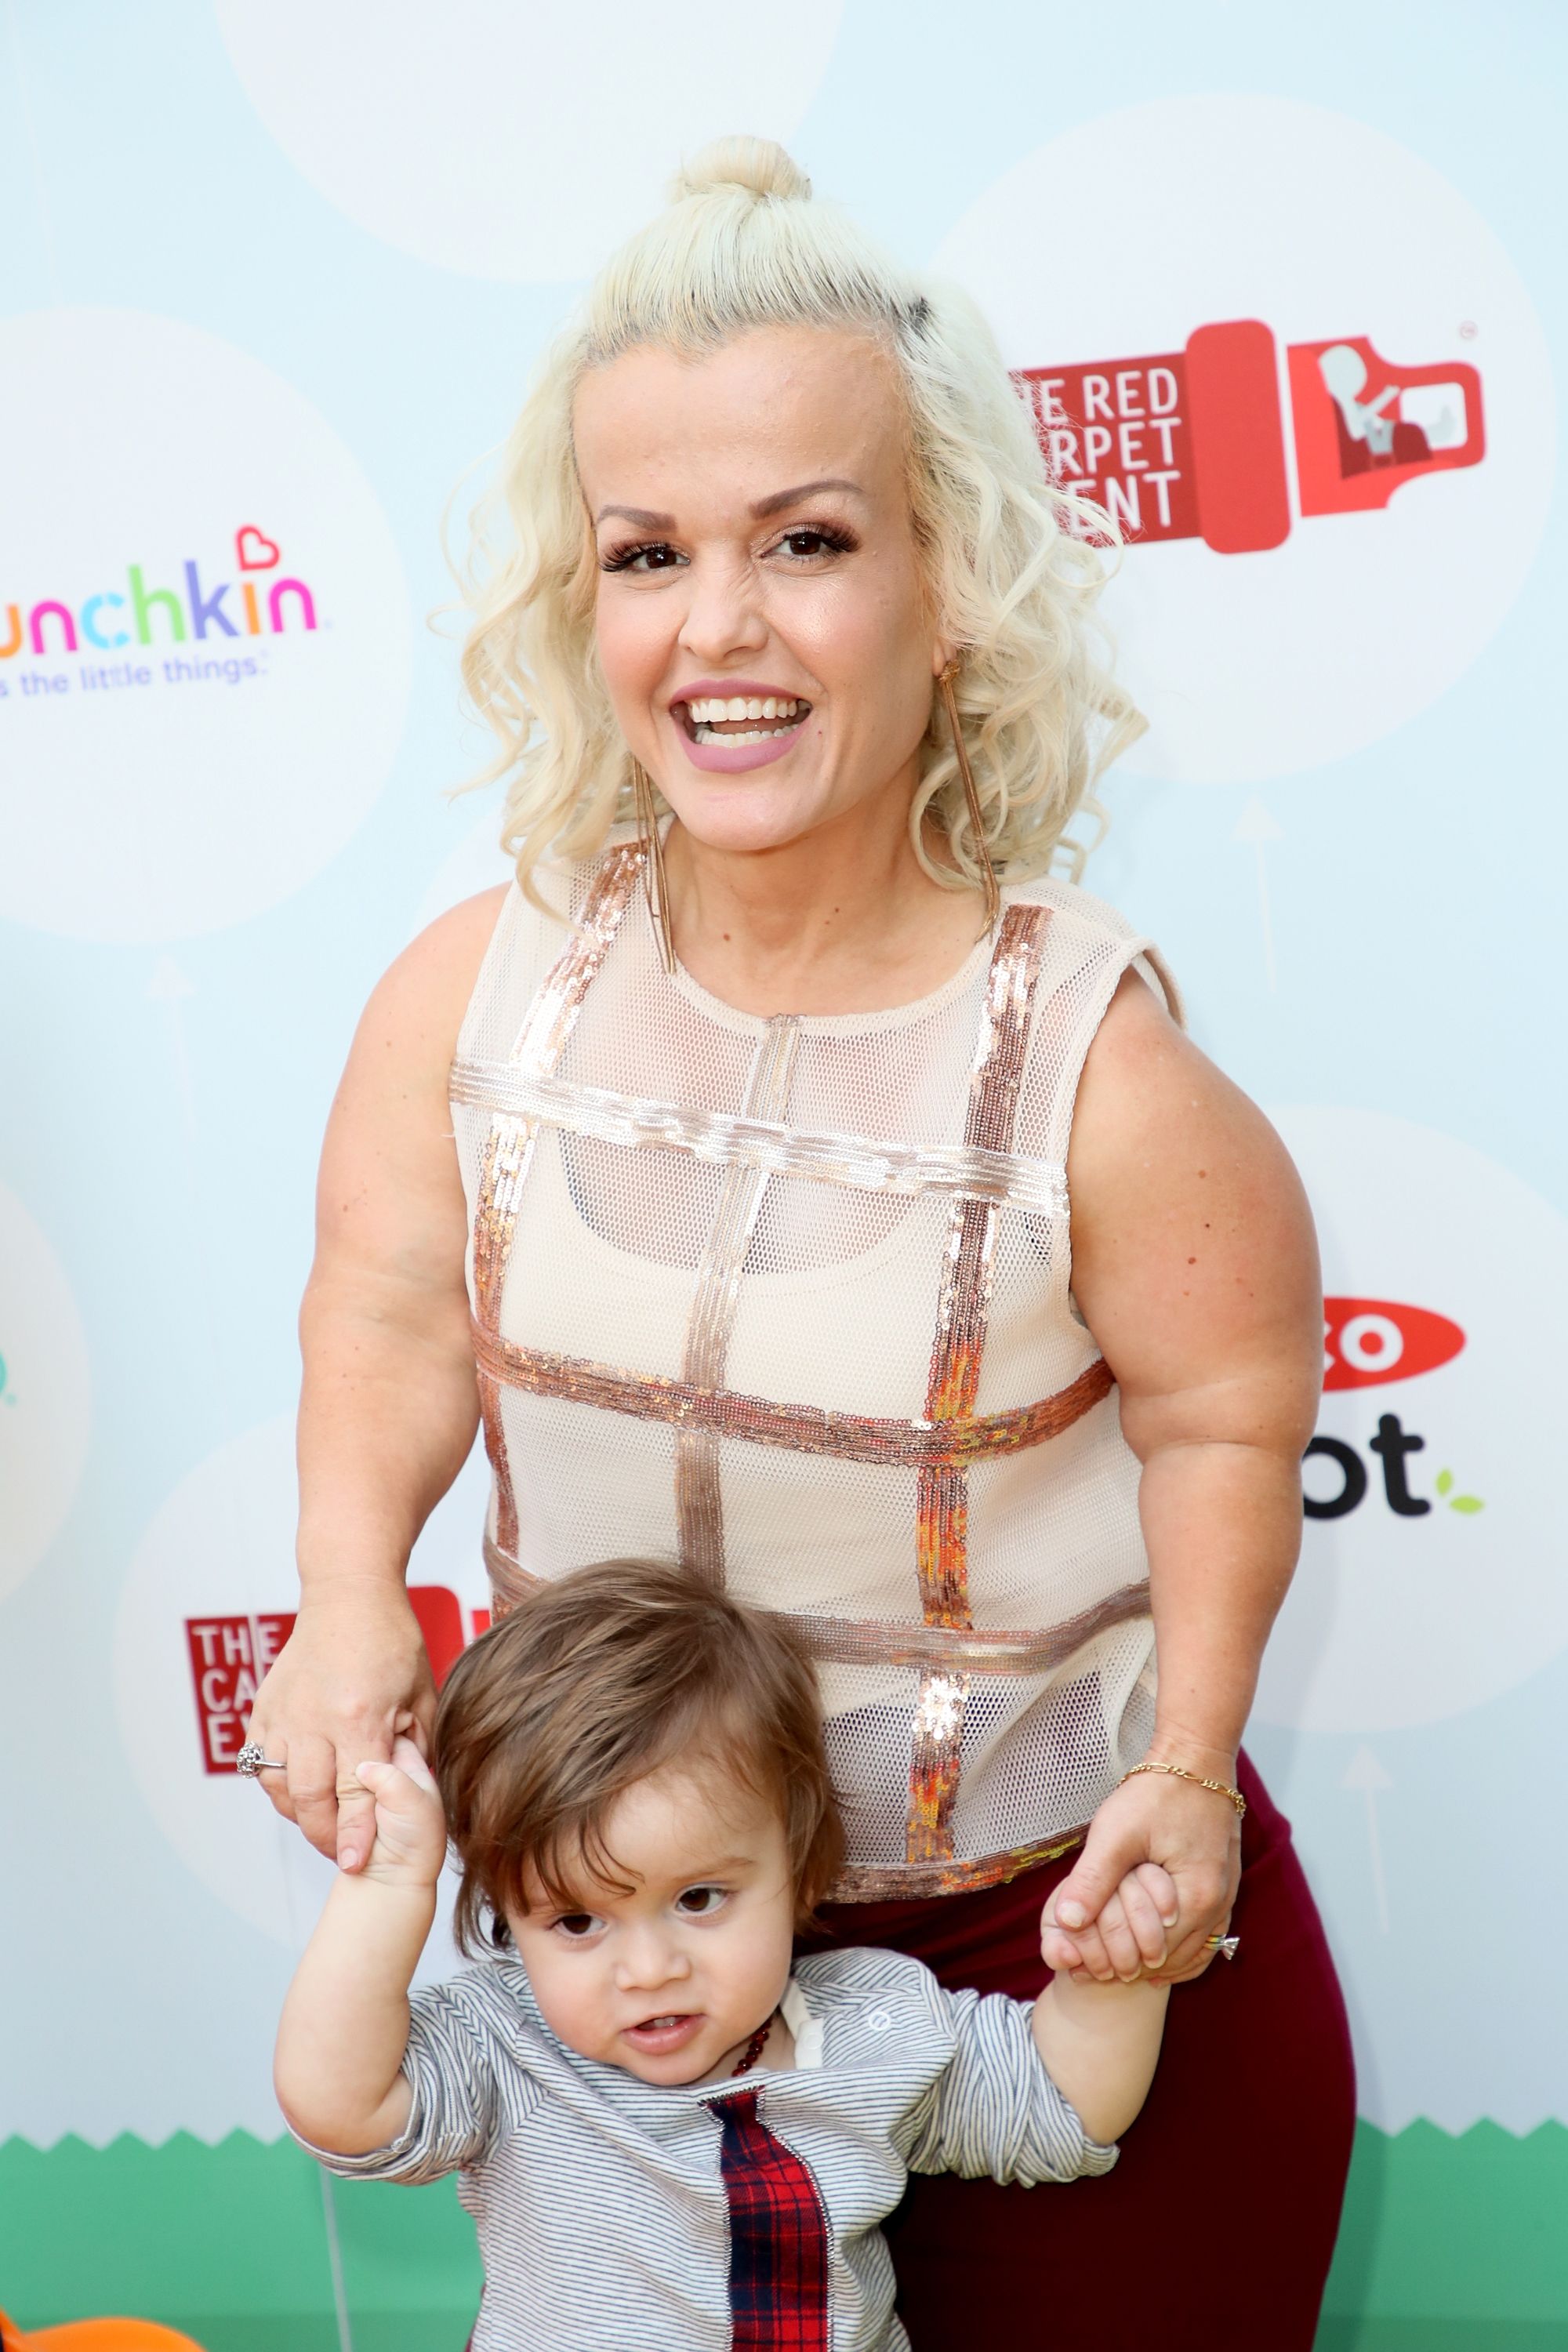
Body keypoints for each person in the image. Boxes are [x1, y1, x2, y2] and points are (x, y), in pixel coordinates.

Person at [245, 135, 1355, 2344]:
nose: (718, 626)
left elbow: (1230, 1418)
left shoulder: (1100, 1061)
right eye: (648, 552)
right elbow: (384, 1304)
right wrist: (346, 1595)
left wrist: (1180, 1770)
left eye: (808, 541)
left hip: (1046, 1957)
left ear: (950, 586)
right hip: (626, 1978)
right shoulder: (467, 995)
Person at [275, 1562, 1174, 2351]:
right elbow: (339, 2107)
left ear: (797, 1859)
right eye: (577, 1924)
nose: (648, 1970)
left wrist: (1119, 1967)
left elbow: (1058, 2107)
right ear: (507, 1911)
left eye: (698, 1900)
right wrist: (387, 1888)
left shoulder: (876, 2022)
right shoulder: (503, 2047)